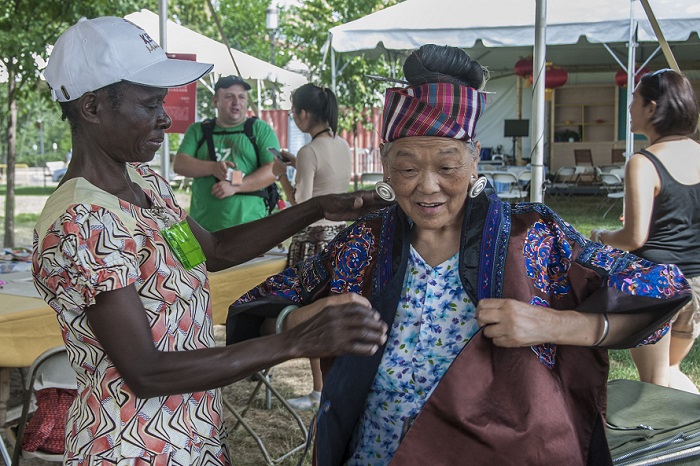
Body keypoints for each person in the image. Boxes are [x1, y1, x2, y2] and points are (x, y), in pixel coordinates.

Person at [228, 45, 691, 465]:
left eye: (447, 166)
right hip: (378, 453)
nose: (427, 186)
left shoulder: (530, 234)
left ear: (474, 160)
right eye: (407, 167)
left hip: (508, 453)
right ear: (385, 163)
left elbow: (660, 289)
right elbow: (256, 311)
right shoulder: (364, 243)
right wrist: (300, 323)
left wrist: (556, 324)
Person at [32, 17, 389, 465]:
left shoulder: (144, 182)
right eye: (149, 105)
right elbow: (144, 371)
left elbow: (216, 251)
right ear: (91, 107)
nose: (165, 118)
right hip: (131, 447)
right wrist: (293, 342)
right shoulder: (83, 220)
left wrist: (316, 208)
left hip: (189, 432)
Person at [590, 69, 700, 394]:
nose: (629, 108)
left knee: (655, 388)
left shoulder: (645, 162)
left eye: (634, 100)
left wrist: (601, 236)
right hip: (695, 286)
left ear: (652, 108)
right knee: (669, 371)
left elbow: (633, 238)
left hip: (656, 284)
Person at [271, 83, 352, 410]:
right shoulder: (342, 144)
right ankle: (331, 388)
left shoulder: (308, 151)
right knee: (336, 311)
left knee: (312, 316)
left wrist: (282, 175)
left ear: (304, 114)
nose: (293, 116)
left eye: (294, 111)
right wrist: (295, 164)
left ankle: (319, 391)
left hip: (312, 241)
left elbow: (301, 203)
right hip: (341, 237)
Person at [173, 75, 279, 231]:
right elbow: (180, 164)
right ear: (216, 101)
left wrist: (236, 187)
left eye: (241, 97)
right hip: (204, 228)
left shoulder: (259, 129)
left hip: (250, 225)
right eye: (229, 97)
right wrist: (213, 168)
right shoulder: (198, 130)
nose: (237, 102)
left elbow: (274, 169)